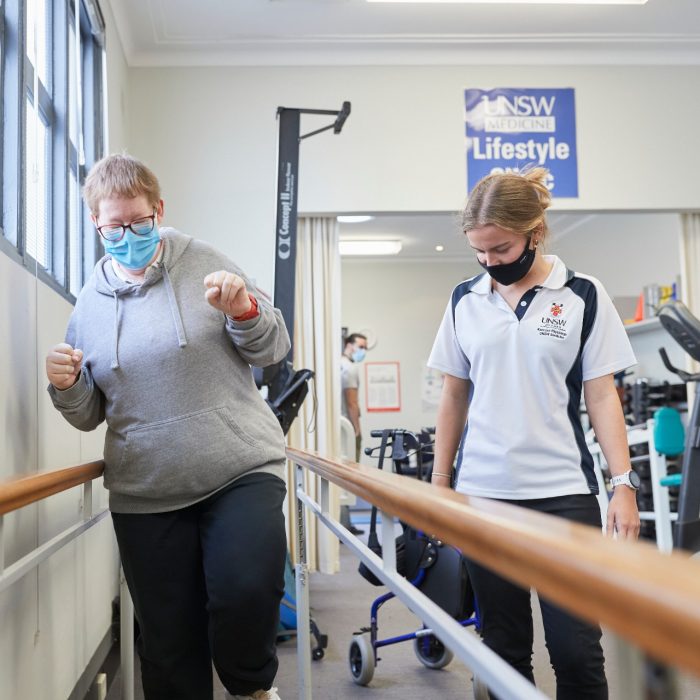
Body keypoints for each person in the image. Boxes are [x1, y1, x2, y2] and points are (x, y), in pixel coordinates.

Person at [45, 154, 288, 700]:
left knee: (246, 589)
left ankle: (252, 688)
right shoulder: (88, 305)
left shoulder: (205, 261)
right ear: (96, 224)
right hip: (147, 491)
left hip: (239, 467)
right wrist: (66, 386)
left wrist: (245, 312)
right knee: (168, 644)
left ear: (158, 209)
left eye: (139, 220)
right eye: (115, 226)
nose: (128, 234)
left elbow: (273, 348)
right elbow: (89, 415)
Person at [428, 168, 640, 700]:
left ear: (535, 232)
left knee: (576, 649)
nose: (490, 262)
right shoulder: (464, 299)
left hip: (563, 496)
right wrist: (440, 482)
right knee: (502, 646)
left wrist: (623, 484)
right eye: (479, 251)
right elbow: (454, 394)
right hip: (485, 497)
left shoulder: (582, 295)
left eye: (500, 248)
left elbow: (601, 395)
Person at [340, 332, 368, 535]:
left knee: (340, 476)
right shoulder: (350, 369)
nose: (363, 350)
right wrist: (357, 429)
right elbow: (352, 402)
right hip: (347, 429)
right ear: (349, 345)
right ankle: (345, 524)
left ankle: (345, 522)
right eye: (361, 346)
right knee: (348, 476)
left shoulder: (338, 364)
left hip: (337, 428)